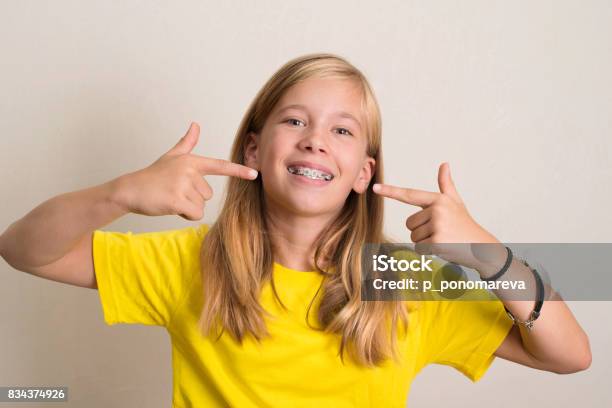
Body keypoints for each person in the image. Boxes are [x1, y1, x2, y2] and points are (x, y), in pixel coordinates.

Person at [0, 53, 591, 407]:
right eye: (294, 119)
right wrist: (118, 193)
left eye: (342, 130)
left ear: (364, 172)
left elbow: (570, 356)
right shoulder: (193, 261)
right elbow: (23, 249)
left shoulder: (399, 279)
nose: (315, 138)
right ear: (254, 147)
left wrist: (489, 255)